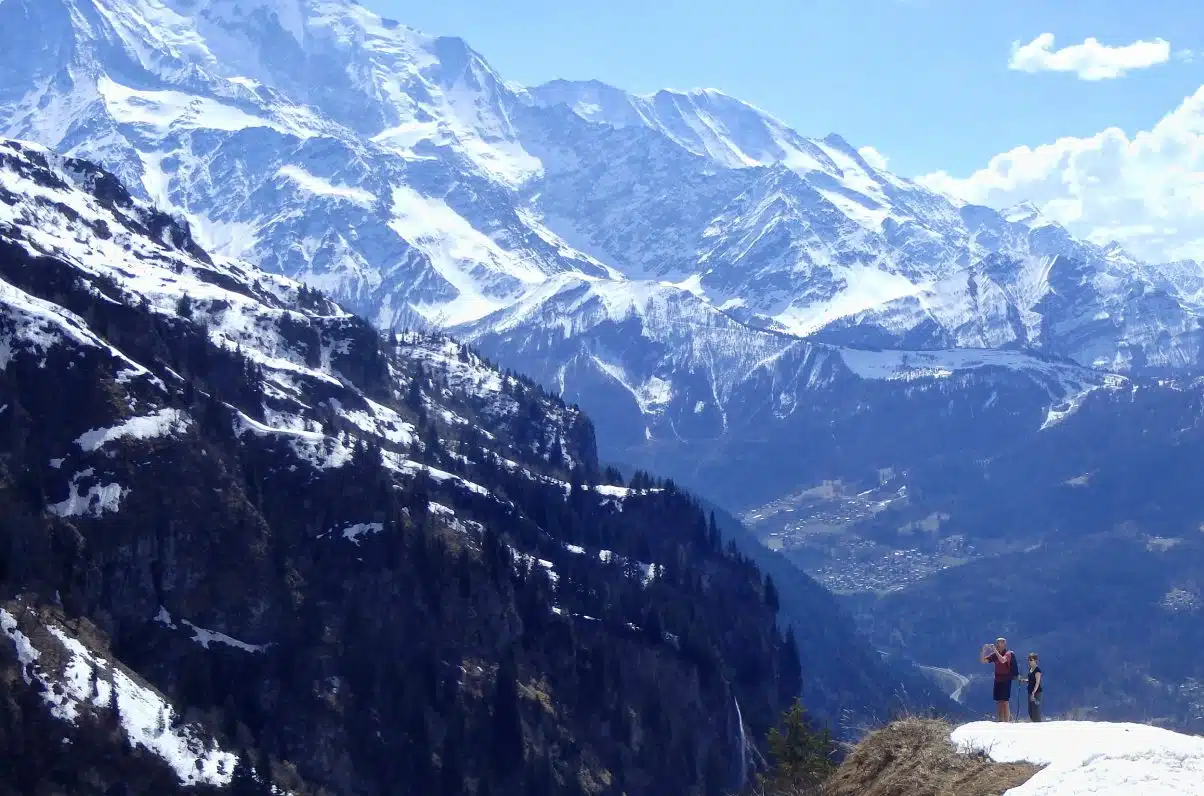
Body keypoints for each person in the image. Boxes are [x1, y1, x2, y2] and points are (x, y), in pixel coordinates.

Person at [980, 637, 1017, 722]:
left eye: (999, 643)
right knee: (999, 701)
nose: (997, 645)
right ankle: (1001, 721)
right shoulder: (995, 655)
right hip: (997, 679)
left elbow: (1003, 660)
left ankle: (1006, 721)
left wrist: (995, 651)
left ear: (1004, 644)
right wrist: (983, 650)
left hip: (1006, 679)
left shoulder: (1008, 653)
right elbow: (983, 661)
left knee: (1005, 701)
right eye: (996, 643)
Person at [1020, 652, 1043, 722]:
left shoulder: (1037, 670)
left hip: (1036, 693)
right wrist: (1023, 680)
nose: (1029, 661)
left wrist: (1033, 693)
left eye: (1031, 659)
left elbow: (1037, 682)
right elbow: (1030, 680)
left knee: (1036, 710)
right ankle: (1033, 724)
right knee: (1030, 711)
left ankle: (1038, 725)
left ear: (1035, 660)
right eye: (1029, 659)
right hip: (1030, 692)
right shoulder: (1030, 669)